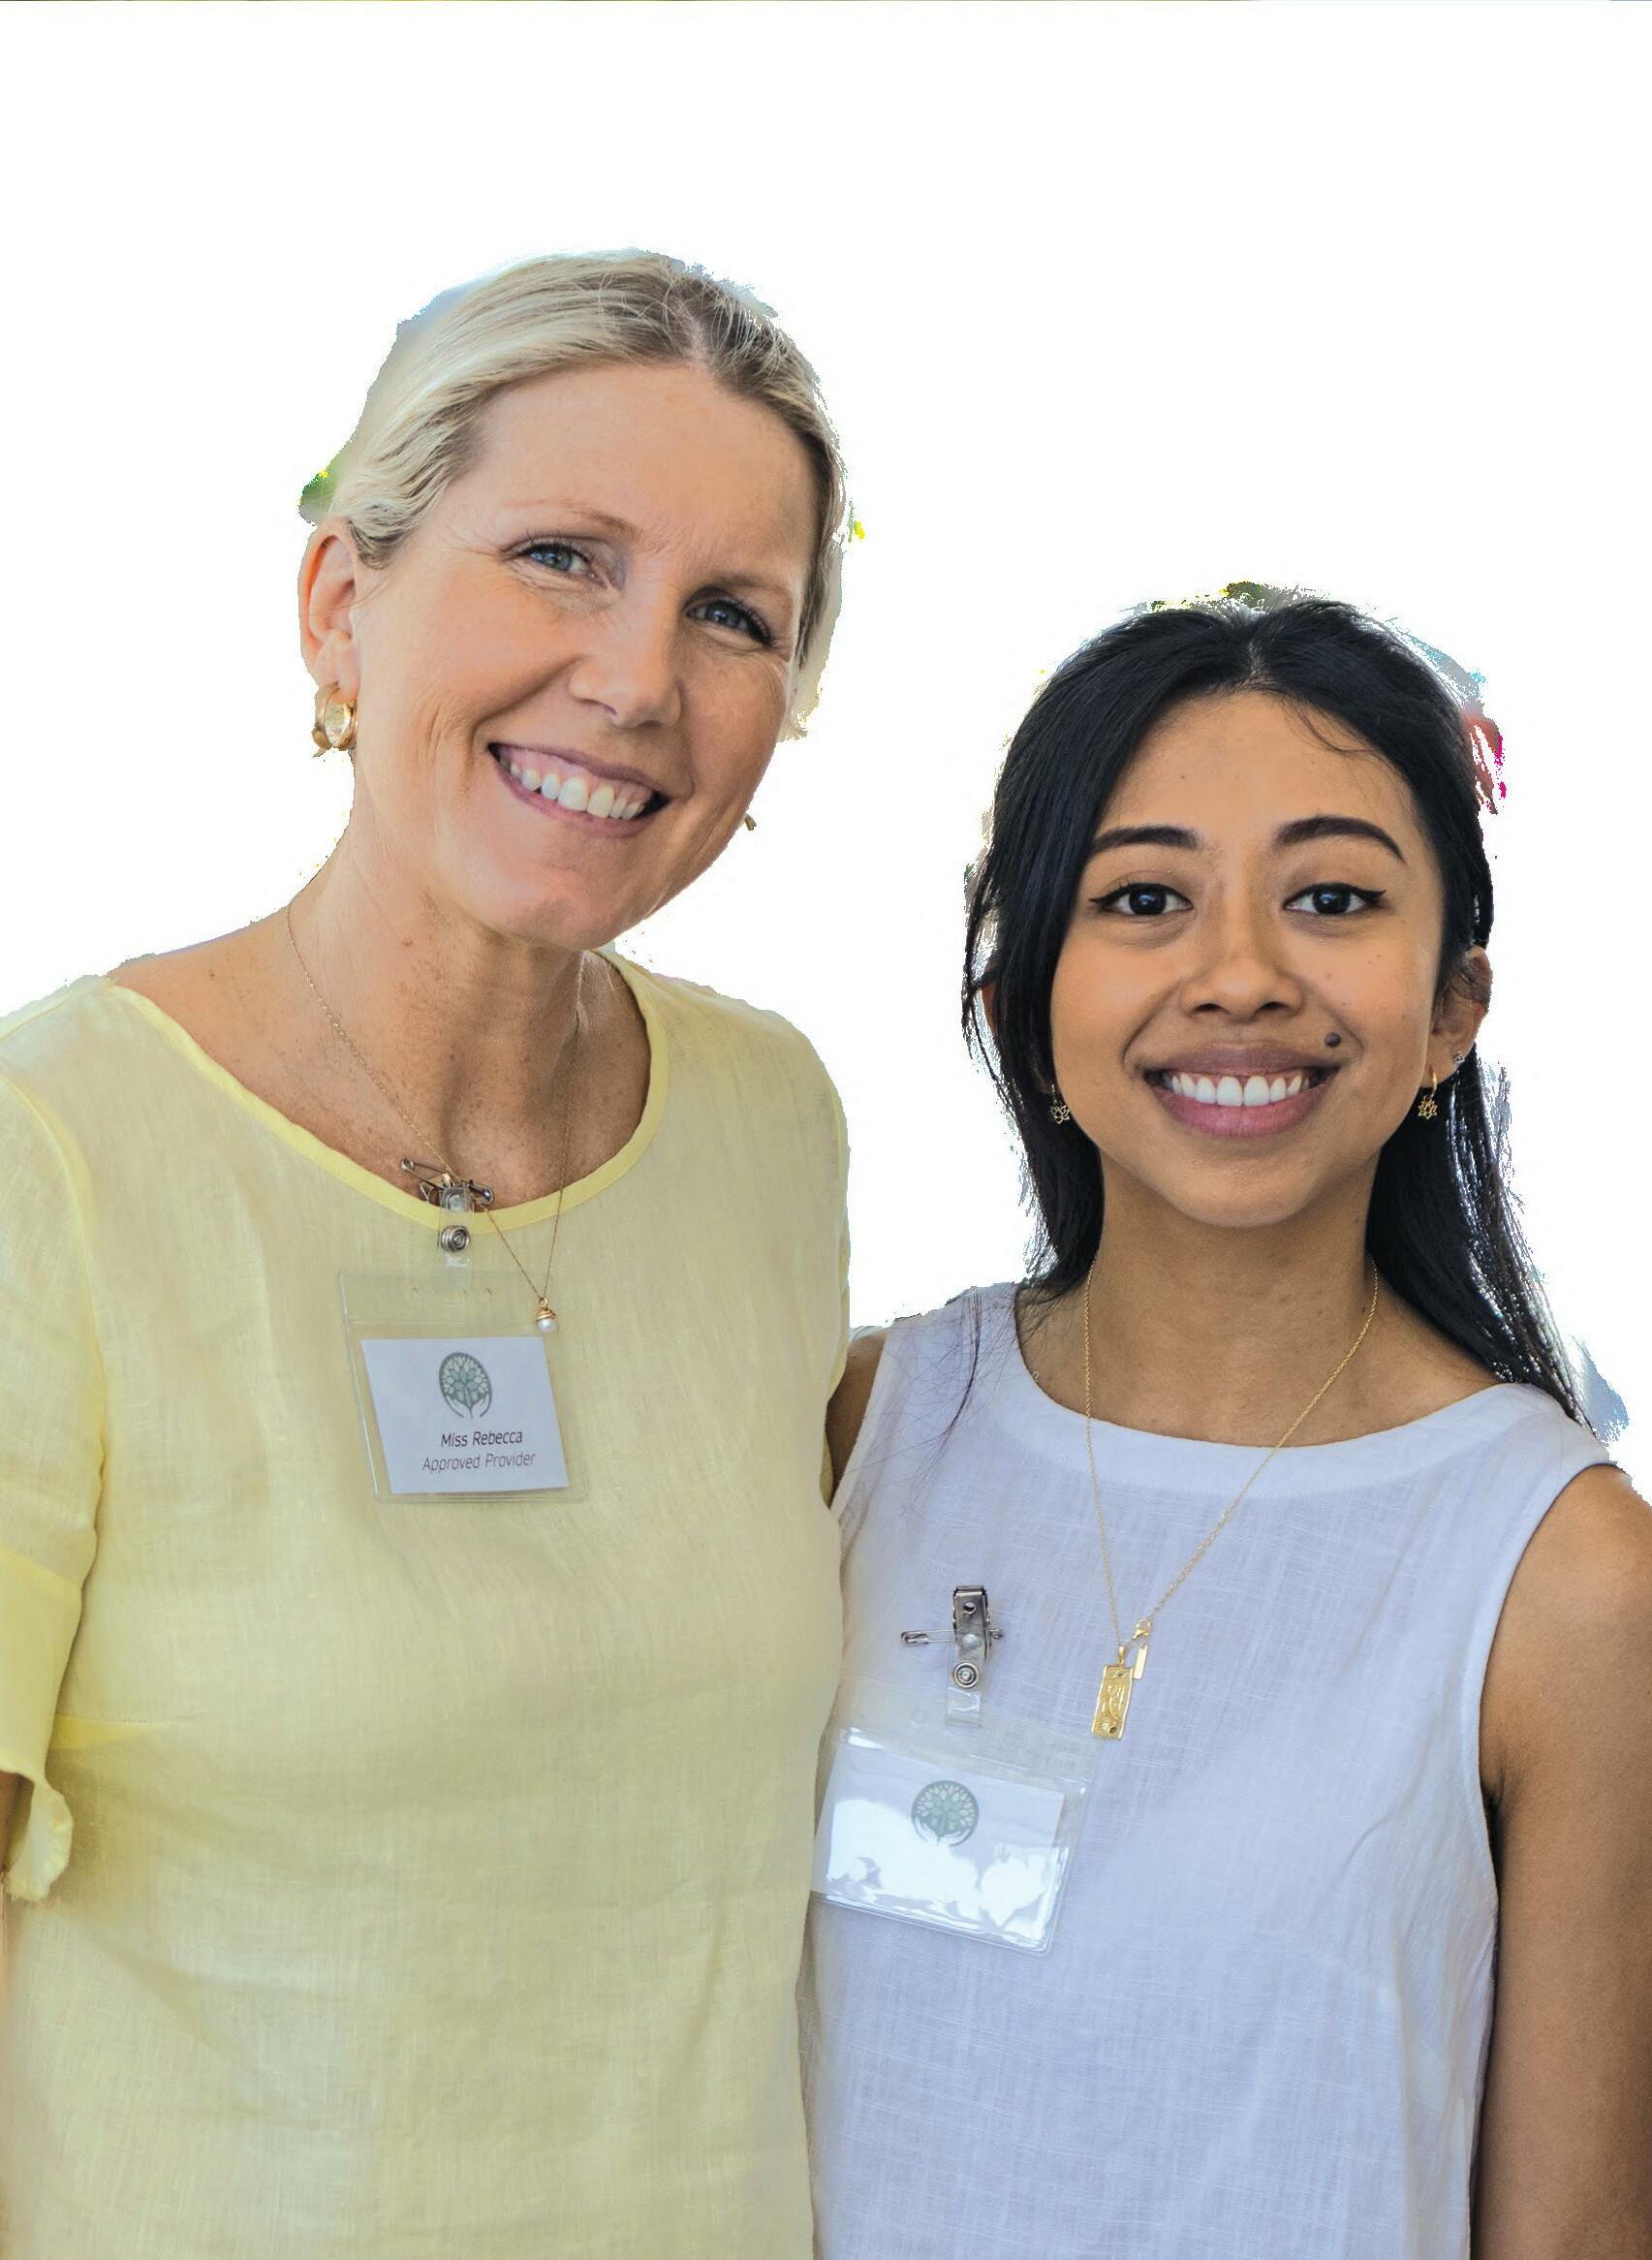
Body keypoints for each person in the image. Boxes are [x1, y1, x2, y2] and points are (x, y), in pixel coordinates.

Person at [0, 249, 854, 2259]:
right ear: (339, 603)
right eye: (560, 557)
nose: (636, 677)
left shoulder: (768, 1122)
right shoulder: (53, 1153)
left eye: (732, 613)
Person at [802, 591, 1652, 2257]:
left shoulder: (1565, 1579)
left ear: (1453, 1006)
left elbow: (1575, 2231)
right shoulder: (851, 1431)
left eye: (1330, 897)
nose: (1241, 976)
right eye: (1143, 898)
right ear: (1019, 1005)